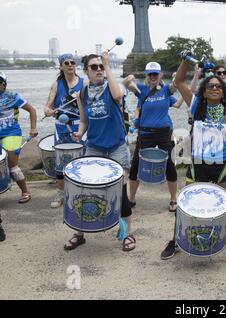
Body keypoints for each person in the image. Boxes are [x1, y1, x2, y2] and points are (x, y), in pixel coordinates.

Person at [161, 50, 226, 265]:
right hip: (198, 167)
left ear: (223, 92)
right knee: (186, 206)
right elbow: (178, 81)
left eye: (218, 86)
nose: (214, 88)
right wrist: (184, 59)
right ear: (203, 92)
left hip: (222, 167)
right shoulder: (195, 107)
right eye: (210, 86)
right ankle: (175, 242)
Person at [64, 51, 135, 252]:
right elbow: (85, 120)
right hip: (94, 146)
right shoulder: (82, 93)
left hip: (117, 148)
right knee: (85, 190)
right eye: (94, 67)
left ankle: (127, 234)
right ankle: (80, 232)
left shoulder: (114, 86)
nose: (98, 70)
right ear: (86, 71)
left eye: (100, 66)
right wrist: (79, 133)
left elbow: (118, 95)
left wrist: (107, 64)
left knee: (120, 192)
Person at [123, 62, 179, 212]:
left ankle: (173, 199)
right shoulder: (141, 89)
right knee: (135, 166)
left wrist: (176, 77)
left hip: (163, 133)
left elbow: (176, 84)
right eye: (150, 74)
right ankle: (131, 198)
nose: (153, 77)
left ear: (160, 75)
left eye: (156, 74)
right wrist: (129, 78)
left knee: (169, 166)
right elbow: (126, 84)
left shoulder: (166, 90)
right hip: (145, 134)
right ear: (146, 76)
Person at [43, 53, 85, 208]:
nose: (69, 65)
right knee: (61, 161)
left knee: (82, 160)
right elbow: (48, 106)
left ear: (75, 65)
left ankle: (81, 191)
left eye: (72, 62)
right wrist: (48, 110)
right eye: (66, 62)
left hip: (80, 126)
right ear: (61, 66)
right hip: (61, 127)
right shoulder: (56, 84)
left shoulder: (84, 83)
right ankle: (61, 192)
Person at [0, 71, 38, 204]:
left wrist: (33, 128)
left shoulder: (13, 96)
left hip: (11, 134)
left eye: (0, 82)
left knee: (12, 166)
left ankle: (25, 191)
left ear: (4, 84)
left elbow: (32, 110)